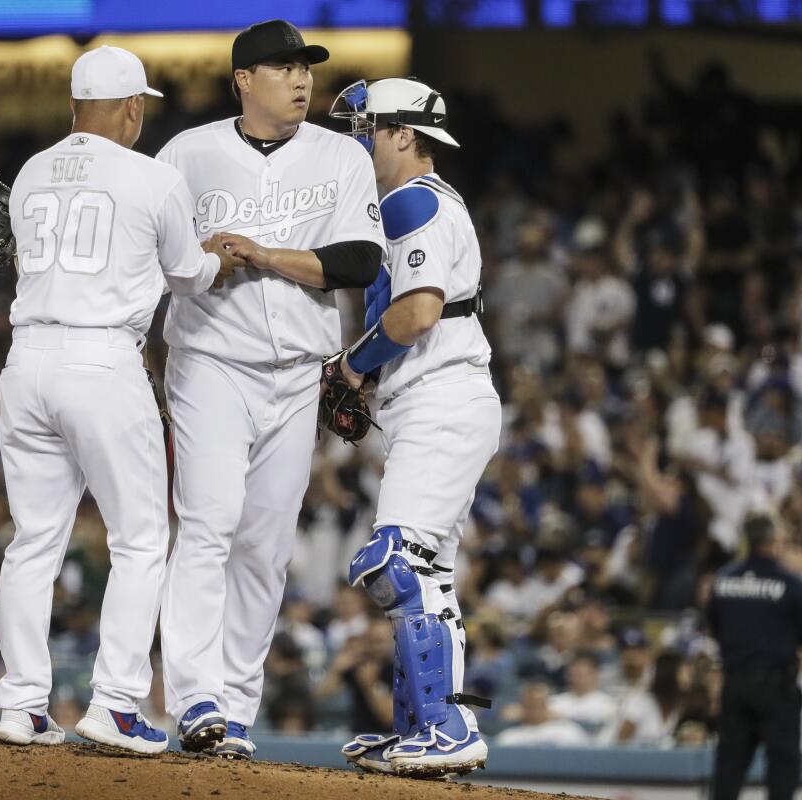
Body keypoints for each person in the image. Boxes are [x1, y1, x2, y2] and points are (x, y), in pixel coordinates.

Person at [0, 46, 239, 756]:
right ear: (133, 108)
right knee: (139, 539)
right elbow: (190, 277)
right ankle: (117, 702)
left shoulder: (33, 169)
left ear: (75, 104)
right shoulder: (153, 175)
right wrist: (219, 253)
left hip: (26, 357)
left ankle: (21, 705)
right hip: (101, 359)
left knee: (33, 541)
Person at [156, 19, 385, 760]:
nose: (301, 79)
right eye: (283, 67)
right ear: (242, 82)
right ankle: (194, 695)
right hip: (210, 364)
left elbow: (356, 261)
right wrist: (204, 255)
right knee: (209, 523)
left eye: (305, 67)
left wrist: (262, 255)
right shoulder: (186, 154)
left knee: (264, 548)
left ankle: (237, 712)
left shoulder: (339, 155)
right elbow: (145, 251)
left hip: (296, 375)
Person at [329, 77, 499, 778]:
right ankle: (421, 730)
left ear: (405, 134)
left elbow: (417, 312)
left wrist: (352, 366)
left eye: (368, 128)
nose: (358, 140)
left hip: (441, 398)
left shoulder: (411, 198)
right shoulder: (417, 200)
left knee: (393, 563)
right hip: (439, 401)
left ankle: (448, 726)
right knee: (428, 575)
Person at [707, 515, 801, 800]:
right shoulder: (789, 584)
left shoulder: (722, 581)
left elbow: (715, 627)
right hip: (775, 686)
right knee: (782, 767)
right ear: (774, 541)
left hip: (735, 683)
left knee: (729, 768)